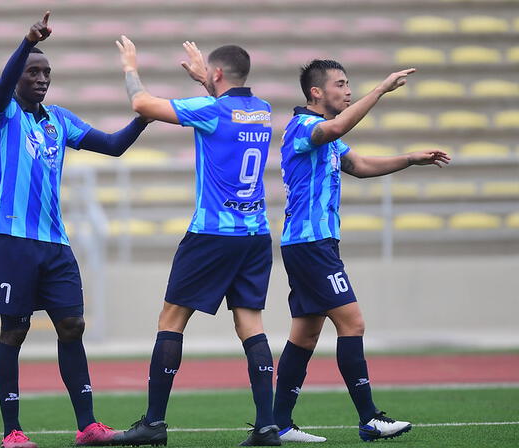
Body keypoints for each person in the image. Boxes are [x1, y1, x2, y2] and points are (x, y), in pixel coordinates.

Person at [0, 12, 150, 448]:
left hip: (56, 243)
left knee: (72, 325)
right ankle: (12, 433)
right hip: (12, 240)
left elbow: (112, 146)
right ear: (17, 76)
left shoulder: (59, 119)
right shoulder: (1, 113)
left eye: (46, 73)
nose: (41, 79)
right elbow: (1, 88)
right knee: (14, 333)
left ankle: (88, 426)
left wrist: (145, 118)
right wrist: (26, 41)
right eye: (32, 72)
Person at [113, 36, 280, 447]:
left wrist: (130, 68)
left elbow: (142, 105)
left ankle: (153, 424)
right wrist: (206, 79)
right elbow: (228, 106)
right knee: (250, 325)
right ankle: (267, 426)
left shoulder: (210, 110)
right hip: (255, 234)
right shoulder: (262, 111)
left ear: (217, 73)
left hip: (212, 234)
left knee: (171, 321)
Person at [273, 59, 451, 443]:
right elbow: (337, 126)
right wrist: (381, 89)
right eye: (341, 84)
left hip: (310, 244)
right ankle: (369, 419)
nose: (348, 89)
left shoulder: (327, 136)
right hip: (311, 244)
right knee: (352, 323)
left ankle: (280, 424)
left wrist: (409, 159)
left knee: (305, 336)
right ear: (316, 93)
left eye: (350, 83)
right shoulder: (304, 127)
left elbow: (358, 163)